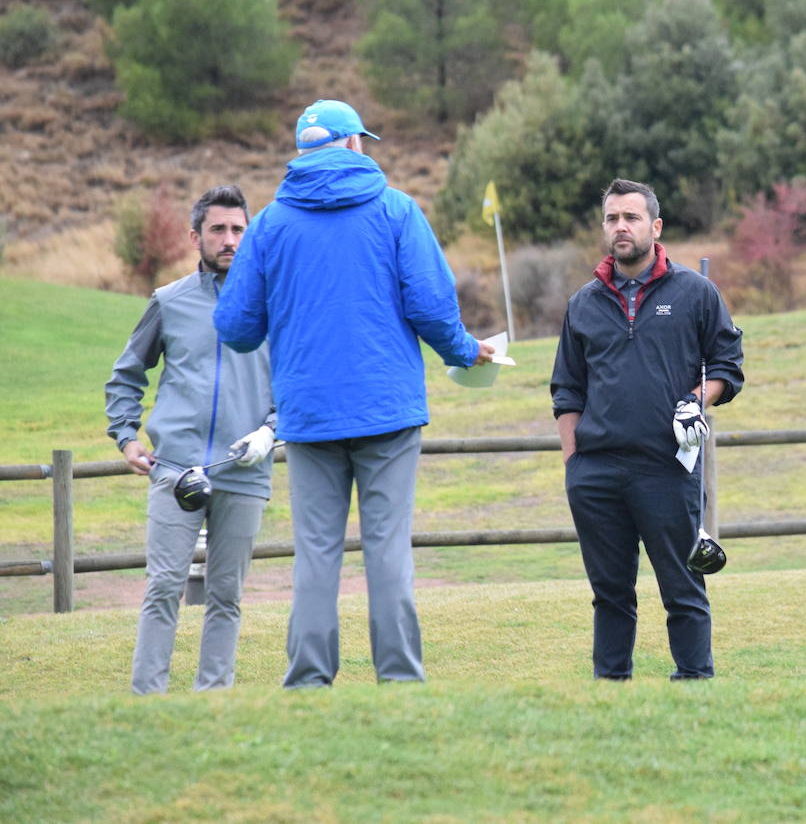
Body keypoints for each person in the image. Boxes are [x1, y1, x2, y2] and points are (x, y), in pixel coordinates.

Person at [213, 99, 493, 688]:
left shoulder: (268, 225)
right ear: (349, 145)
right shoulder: (396, 211)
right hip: (386, 410)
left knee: (316, 554)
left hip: (308, 415)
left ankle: (310, 680)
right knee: (387, 550)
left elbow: (237, 328)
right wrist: (466, 351)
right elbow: (430, 306)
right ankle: (399, 680)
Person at [551, 178, 744, 680]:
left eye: (631, 218)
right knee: (610, 593)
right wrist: (574, 464)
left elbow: (727, 366)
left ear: (655, 227)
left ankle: (695, 686)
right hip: (597, 474)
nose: (621, 227)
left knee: (683, 588)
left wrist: (696, 401)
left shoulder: (695, 293)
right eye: (612, 218)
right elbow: (567, 390)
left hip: (667, 468)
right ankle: (612, 689)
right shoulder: (583, 303)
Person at [105, 184, 276, 695]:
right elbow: (127, 373)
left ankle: (212, 701)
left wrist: (271, 430)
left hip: (244, 473)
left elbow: (295, 380)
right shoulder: (169, 302)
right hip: (175, 469)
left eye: (238, 229)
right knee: (162, 588)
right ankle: (146, 699)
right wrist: (125, 436)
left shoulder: (273, 304)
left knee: (226, 594)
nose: (229, 240)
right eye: (218, 229)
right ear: (195, 235)